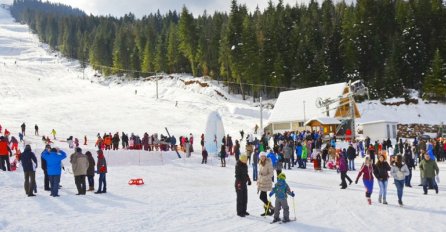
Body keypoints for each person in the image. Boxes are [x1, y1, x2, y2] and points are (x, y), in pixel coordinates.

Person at [257, 152, 274, 216]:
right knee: (264, 197)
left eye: (264, 156)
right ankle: (267, 211)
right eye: (261, 156)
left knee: (262, 197)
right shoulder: (260, 163)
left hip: (266, 182)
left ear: (265, 157)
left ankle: (272, 208)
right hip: (261, 182)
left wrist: (264, 177)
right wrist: (258, 181)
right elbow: (260, 173)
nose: (262, 157)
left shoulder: (268, 163)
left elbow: (271, 174)